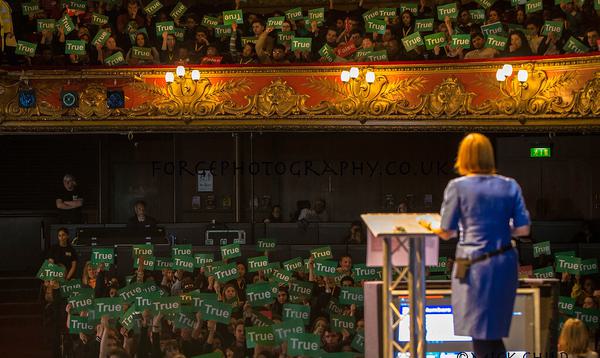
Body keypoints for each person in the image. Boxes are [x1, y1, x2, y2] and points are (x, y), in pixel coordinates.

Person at [423, 133, 530, 358]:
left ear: (463, 156)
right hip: (505, 263)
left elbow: (447, 232)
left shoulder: (458, 187)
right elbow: (523, 230)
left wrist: (428, 226)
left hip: (473, 266)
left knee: (478, 331)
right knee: (494, 331)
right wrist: (499, 228)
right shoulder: (510, 185)